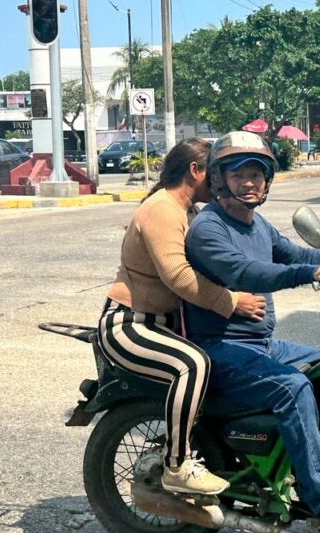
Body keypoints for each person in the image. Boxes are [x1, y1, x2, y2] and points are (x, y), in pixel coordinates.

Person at [183, 132, 320, 530]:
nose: (249, 182)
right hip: (218, 347)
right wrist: (311, 274)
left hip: (259, 344)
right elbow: (246, 272)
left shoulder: (257, 225)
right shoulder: (209, 228)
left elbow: (300, 253)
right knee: (293, 387)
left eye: (257, 174)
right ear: (220, 179)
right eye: (238, 174)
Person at [98, 138, 267, 496]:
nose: (222, 183)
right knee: (193, 365)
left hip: (164, 324)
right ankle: (176, 466)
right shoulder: (163, 209)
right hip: (130, 325)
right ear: (195, 170)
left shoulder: (188, 211)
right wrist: (231, 301)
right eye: (217, 174)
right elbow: (178, 276)